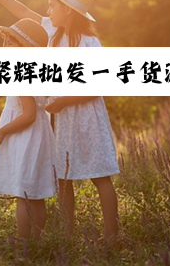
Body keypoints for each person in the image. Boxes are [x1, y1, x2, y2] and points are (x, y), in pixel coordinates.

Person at [46, 96, 120, 245]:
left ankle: (112, 235)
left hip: (87, 118)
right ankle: (67, 235)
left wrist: (63, 101)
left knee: (101, 177)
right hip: (62, 120)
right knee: (63, 178)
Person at [0, 96, 56, 240]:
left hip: (26, 138)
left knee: (23, 195)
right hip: (35, 134)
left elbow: (29, 115)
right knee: (36, 195)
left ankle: (24, 243)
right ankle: (37, 242)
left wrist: (2, 131)